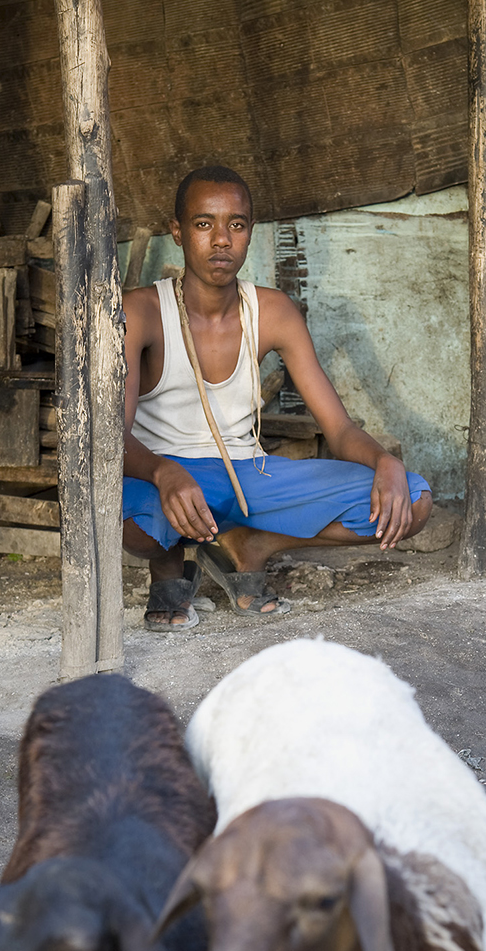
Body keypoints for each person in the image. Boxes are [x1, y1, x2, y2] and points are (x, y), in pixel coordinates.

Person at [122, 165, 433, 630]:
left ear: (250, 233)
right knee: (127, 522)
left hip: (248, 476)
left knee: (415, 499)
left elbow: (340, 429)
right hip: (166, 475)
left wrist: (385, 462)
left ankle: (254, 544)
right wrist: (164, 472)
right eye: (204, 223)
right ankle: (167, 562)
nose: (222, 239)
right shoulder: (141, 310)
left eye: (237, 224)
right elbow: (112, 435)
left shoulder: (273, 311)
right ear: (178, 232)